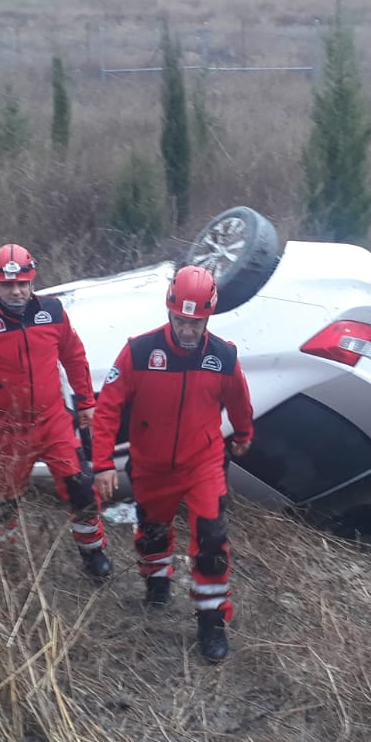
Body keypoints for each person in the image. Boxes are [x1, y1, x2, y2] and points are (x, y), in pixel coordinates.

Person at [91, 265, 254, 663]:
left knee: (212, 540)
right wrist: (102, 463)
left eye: (195, 323)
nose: (186, 330)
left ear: (208, 317)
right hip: (150, 464)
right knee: (152, 532)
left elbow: (239, 402)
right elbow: (108, 408)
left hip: (203, 462)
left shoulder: (223, 357)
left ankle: (211, 620)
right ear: (169, 311)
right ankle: (157, 581)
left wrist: (245, 435)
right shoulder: (139, 352)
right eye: (181, 320)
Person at [0, 243, 111, 579]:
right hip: (5, 429)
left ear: (32, 281)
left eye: (23, 283)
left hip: (53, 421)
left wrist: (86, 403)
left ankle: (93, 554)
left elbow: (74, 357)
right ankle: (7, 560)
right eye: (8, 285)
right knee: (5, 498)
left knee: (81, 487)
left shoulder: (51, 312)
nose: (17, 291)